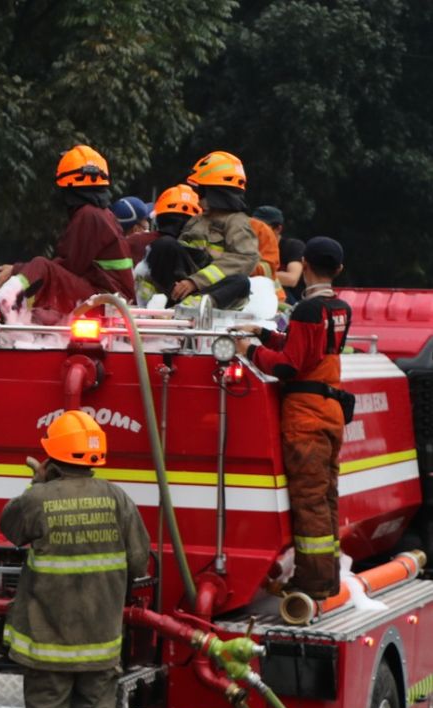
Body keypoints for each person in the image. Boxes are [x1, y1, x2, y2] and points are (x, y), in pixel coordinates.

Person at [0, 410, 150, 708]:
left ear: (53, 455)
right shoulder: (117, 499)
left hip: (47, 649)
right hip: (100, 648)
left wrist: (38, 482)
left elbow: (10, 527)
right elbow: (138, 562)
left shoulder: (38, 499)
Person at [234, 237, 351, 599]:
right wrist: (266, 333)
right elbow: (307, 347)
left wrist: (251, 350)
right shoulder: (340, 308)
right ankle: (328, 578)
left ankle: (312, 584)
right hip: (330, 412)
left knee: (310, 500)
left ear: (305, 264)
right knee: (326, 497)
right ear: (339, 269)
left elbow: (288, 364)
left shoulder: (306, 310)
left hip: (306, 416)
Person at [0, 145, 134, 322]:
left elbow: (65, 267)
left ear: (69, 186)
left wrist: (16, 270)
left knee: (41, 265)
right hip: (109, 302)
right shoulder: (101, 214)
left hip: (105, 302)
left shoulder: (88, 215)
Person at [143, 151, 259, 308]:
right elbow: (179, 257)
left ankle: (195, 306)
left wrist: (195, 281)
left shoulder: (236, 222)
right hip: (183, 290)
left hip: (214, 293)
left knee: (241, 282)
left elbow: (245, 259)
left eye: (202, 189)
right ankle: (152, 301)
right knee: (165, 245)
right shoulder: (197, 220)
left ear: (214, 191)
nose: (197, 195)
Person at [130, 185, 202, 302]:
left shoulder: (135, 241)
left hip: (137, 311)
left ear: (159, 217)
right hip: (181, 311)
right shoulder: (199, 250)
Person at [254, 205, 306, 302]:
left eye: (263, 227)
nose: (258, 230)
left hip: (292, 301)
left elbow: (292, 279)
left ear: (278, 229)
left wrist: (253, 273)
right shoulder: (251, 247)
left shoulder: (293, 246)